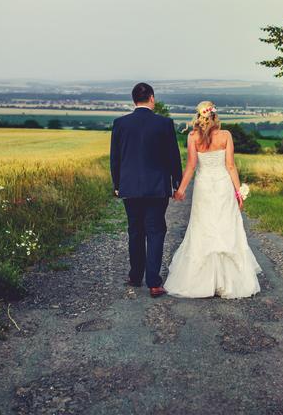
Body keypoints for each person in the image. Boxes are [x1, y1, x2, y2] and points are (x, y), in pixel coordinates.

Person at [164, 101, 261, 299]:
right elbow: (231, 166)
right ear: (215, 116)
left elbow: (191, 166)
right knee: (225, 227)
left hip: (204, 187)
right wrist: (239, 193)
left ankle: (202, 283)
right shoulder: (226, 136)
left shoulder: (193, 137)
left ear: (199, 116)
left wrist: (181, 189)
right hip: (223, 185)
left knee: (204, 227)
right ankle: (228, 282)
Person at [110, 82, 182, 298]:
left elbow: (115, 158)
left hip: (129, 187)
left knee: (135, 231)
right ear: (152, 98)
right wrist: (176, 182)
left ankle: (135, 276)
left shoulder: (120, 123)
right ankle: (153, 283)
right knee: (156, 231)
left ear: (134, 100)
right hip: (157, 188)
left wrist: (117, 185)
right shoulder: (164, 123)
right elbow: (173, 156)